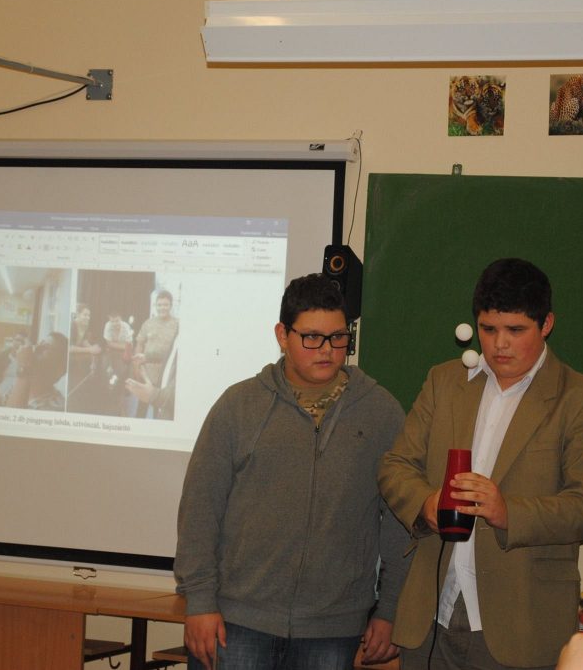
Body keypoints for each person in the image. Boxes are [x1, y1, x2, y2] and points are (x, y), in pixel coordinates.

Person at [379, 258, 583, 670]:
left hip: (521, 622)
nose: (499, 344)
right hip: (431, 612)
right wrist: (425, 503)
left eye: (515, 330)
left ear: (546, 324)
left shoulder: (582, 399)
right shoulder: (444, 381)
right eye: (488, 329)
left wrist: (509, 512)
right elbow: (396, 465)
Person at [174, 273, 410, 670]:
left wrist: (390, 610)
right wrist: (199, 600)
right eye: (312, 337)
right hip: (237, 621)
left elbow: (399, 524)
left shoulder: (381, 412)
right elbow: (200, 509)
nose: (328, 350)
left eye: (338, 337)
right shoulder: (239, 406)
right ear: (283, 335)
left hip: (333, 629)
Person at [130, 290, 179, 418]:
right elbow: (139, 345)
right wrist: (136, 369)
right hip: (147, 375)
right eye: (159, 305)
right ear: (155, 306)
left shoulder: (178, 325)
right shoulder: (148, 323)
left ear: (171, 305)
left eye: (165, 305)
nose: (162, 308)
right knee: (140, 412)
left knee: (159, 414)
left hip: (165, 378)